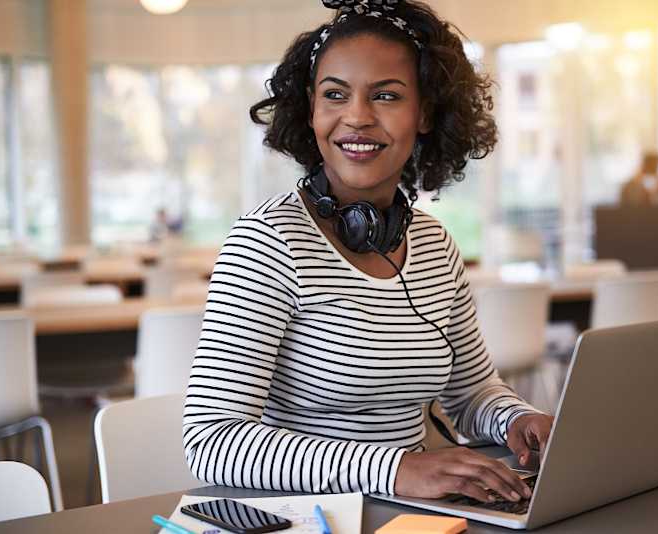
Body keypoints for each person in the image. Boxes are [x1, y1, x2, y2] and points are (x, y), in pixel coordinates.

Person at [183, 0, 553, 504]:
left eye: (385, 95)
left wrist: (518, 418)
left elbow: (472, 393)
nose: (356, 117)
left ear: (424, 114)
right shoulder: (269, 240)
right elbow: (211, 442)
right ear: (311, 108)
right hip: (302, 516)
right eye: (335, 95)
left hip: (414, 510)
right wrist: (396, 468)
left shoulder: (434, 244)